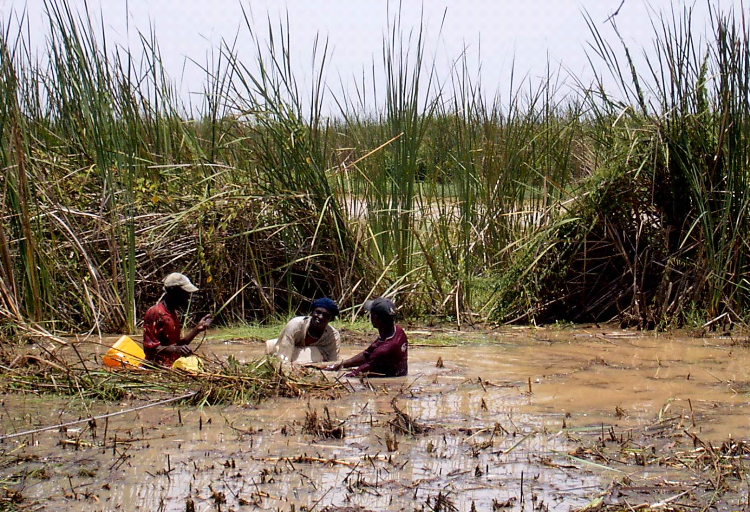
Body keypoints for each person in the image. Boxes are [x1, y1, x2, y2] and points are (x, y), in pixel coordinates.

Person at [142, 272, 213, 366]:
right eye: (184, 293)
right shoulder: (155, 312)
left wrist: (197, 329)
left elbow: (177, 346)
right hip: (156, 368)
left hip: (172, 366)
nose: (187, 298)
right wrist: (176, 349)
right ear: (173, 292)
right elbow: (149, 349)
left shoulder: (173, 313)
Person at [326, 297, 407, 377]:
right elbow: (368, 354)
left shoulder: (384, 350)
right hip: (398, 373)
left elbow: (357, 373)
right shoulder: (398, 331)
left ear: (375, 318)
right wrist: (341, 364)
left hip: (386, 382)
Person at [266, 298, 341, 363]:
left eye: (325, 315)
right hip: (288, 346)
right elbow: (284, 359)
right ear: (312, 312)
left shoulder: (333, 336)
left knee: (317, 357)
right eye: (318, 312)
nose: (320, 317)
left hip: (312, 351)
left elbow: (333, 361)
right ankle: (273, 347)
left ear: (331, 319)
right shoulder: (295, 325)